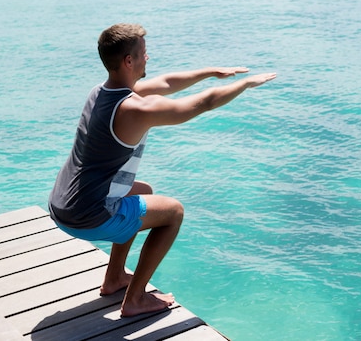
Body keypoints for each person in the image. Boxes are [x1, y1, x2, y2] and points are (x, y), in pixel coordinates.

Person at [48, 23, 276, 317]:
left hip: (62, 204)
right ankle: (135, 299)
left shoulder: (100, 92)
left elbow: (166, 83)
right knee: (173, 212)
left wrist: (211, 71)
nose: (148, 58)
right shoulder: (134, 109)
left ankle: (114, 277)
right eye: (143, 53)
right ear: (129, 61)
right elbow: (203, 103)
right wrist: (245, 84)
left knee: (144, 193)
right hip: (86, 217)